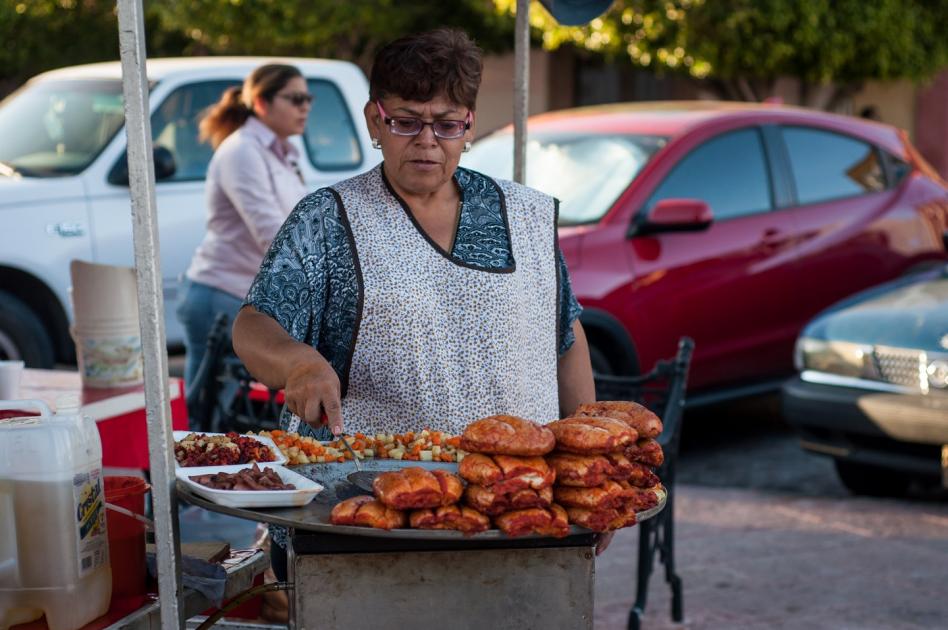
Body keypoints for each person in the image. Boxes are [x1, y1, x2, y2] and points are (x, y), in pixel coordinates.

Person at [232, 29, 598, 585]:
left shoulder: (524, 216)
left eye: (447, 124)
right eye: (406, 121)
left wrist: (587, 474)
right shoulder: (329, 219)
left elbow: (564, 338)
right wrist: (298, 363)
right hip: (362, 517)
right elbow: (255, 323)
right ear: (375, 121)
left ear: (469, 125)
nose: (428, 141)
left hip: (513, 510)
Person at [177, 63, 312, 390]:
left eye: (308, 98)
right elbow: (273, 234)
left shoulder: (282, 154)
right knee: (211, 423)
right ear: (262, 103)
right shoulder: (242, 151)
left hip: (245, 299)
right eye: (295, 98)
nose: (305, 107)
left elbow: (302, 227)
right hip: (222, 298)